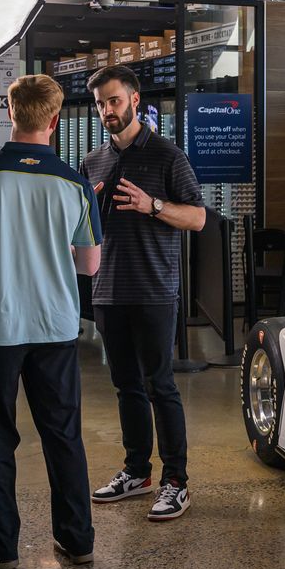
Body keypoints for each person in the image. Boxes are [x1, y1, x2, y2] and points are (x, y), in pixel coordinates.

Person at [0, 74, 103, 569]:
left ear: (12, 113)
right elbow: (90, 265)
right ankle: (77, 541)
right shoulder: (74, 184)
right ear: (54, 120)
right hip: (54, 327)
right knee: (63, 434)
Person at [79, 64, 206, 523]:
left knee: (160, 385)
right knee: (125, 386)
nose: (106, 111)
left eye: (113, 100)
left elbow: (197, 218)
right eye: (99, 104)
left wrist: (152, 205)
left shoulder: (168, 156)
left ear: (134, 99)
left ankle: (176, 481)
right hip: (108, 289)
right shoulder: (92, 162)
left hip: (154, 288)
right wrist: (85, 209)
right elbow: (83, 231)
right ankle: (137, 471)